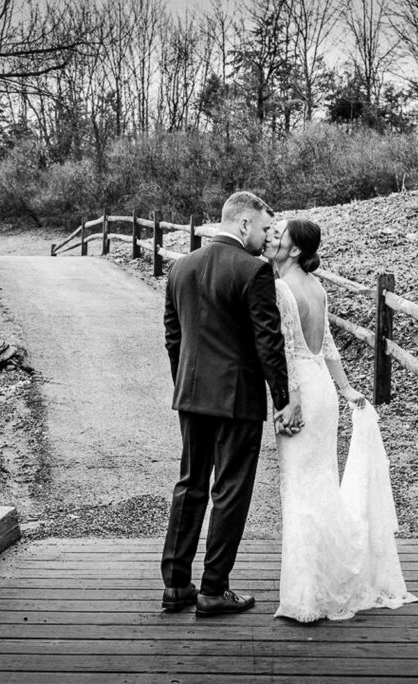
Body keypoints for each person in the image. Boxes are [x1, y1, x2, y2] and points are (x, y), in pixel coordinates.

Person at [263, 217, 417, 623]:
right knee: (321, 483)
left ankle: (307, 595)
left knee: (300, 488)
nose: (272, 239)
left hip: (302, 393)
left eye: (279, 236)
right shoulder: (317, 288)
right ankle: (326, 579)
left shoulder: (280, 288)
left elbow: (285, 350)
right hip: (325, 394)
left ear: (295, 250)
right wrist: (345, 388)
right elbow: (327, 345)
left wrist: (289, 400)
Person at [161, 191, 302, 617]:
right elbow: (267, 341)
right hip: (238, 398)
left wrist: (186, 384)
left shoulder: (180, 266)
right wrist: (283, 398)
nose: (264, 237)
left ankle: (176, 586)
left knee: (190, 484)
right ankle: (214, 589)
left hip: (191, 395)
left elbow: (173, 336)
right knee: (230, 491)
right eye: (262, 228)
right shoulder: (254, 271)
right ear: (243, 225)